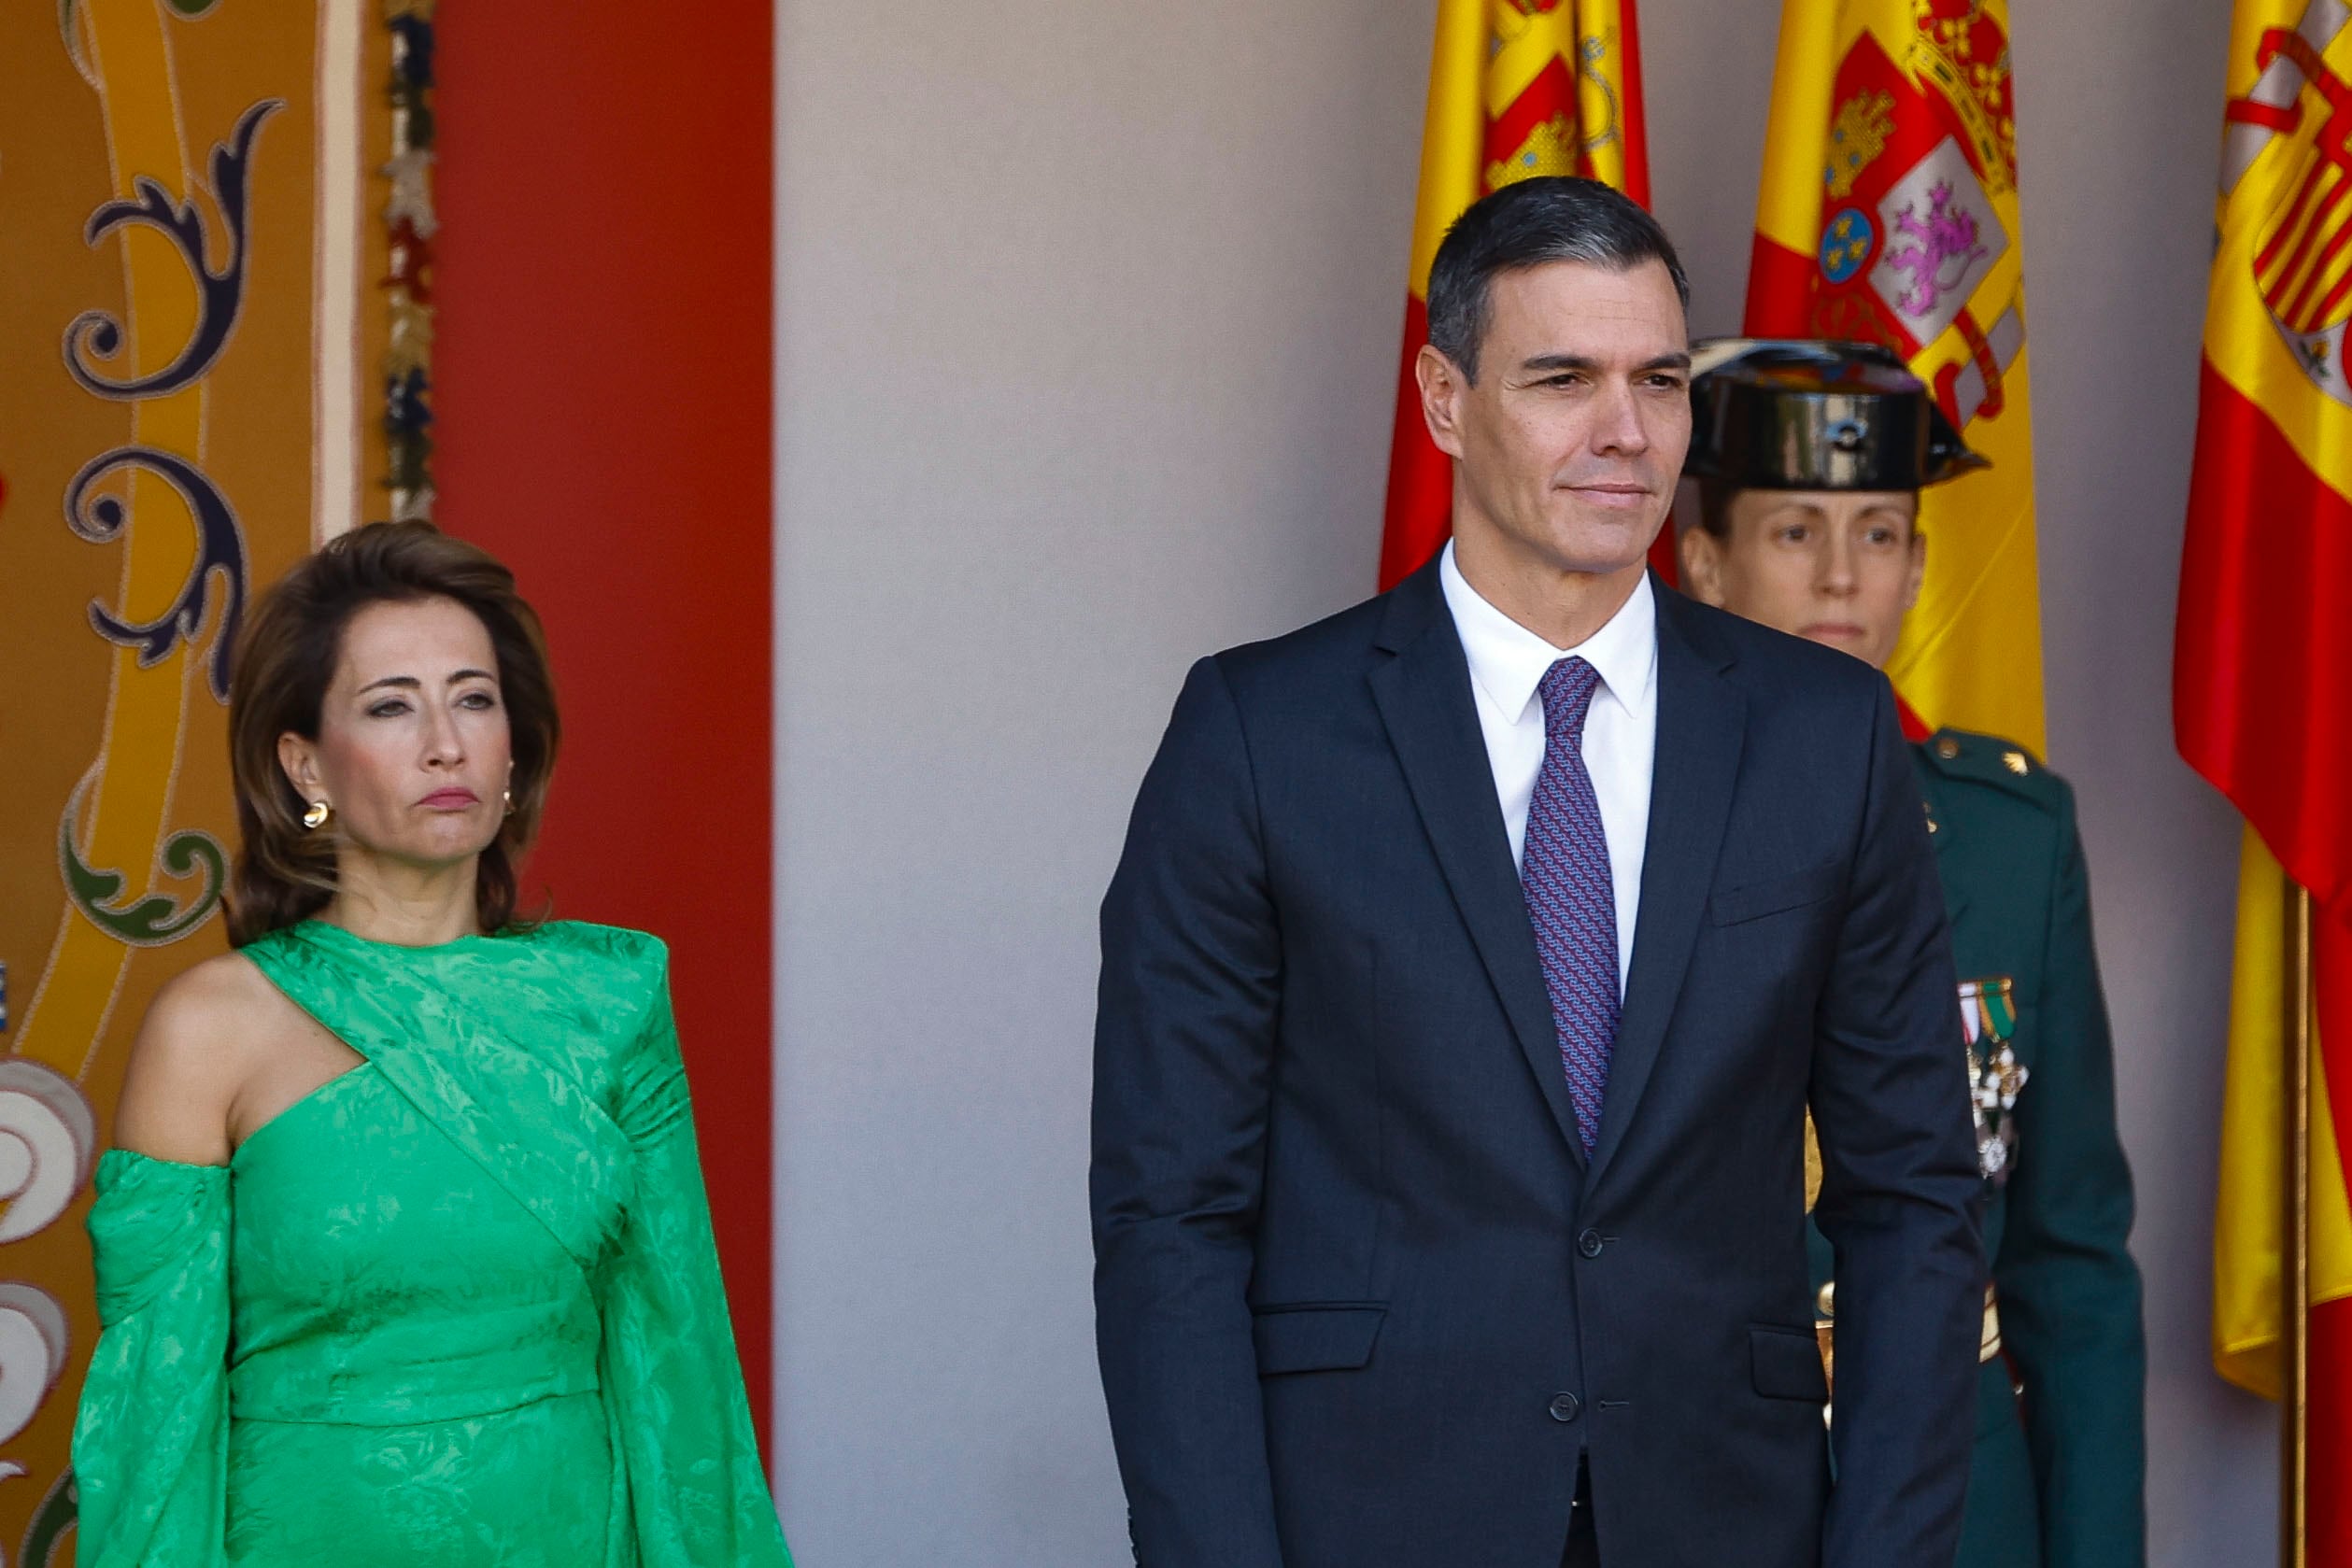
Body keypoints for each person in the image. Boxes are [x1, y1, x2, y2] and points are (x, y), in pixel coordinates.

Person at [1091, 177, 1983, 1568]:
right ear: (1446, 400)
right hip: (1366, 1519)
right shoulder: (1259, 735)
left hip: (1729, 1518)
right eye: (1562, 377)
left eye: (1659, 380)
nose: (1624, 431)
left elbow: (1915, 1201)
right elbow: (1170, 1214)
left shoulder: (1826, 739)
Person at [71, 521, 793, 1568]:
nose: (444, 742)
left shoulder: (608, 1002)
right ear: (305, 761)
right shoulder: (211, 1026)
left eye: (474, 697)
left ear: (514, 747)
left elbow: (675, 1358)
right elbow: (154, 1409)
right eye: (391, 705)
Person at [1677, 338, 2147, 1568]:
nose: (1840, 575)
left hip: (1960, 1503)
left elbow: (2070, 1263)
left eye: (1878, 533)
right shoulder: (1597, 833)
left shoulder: (2010, 837)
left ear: (1919, 563)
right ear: (1702, 562)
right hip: (1688, 1478)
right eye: (1792, 532)